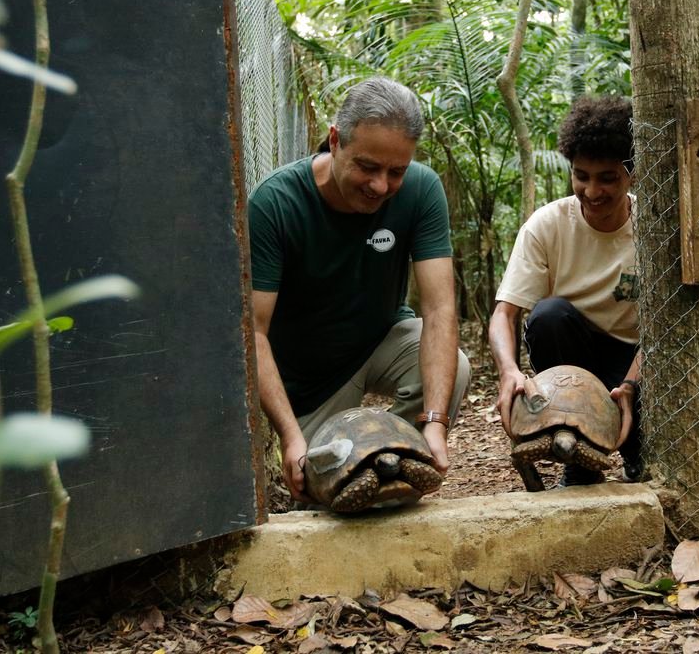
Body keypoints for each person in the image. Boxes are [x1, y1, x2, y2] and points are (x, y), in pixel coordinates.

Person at [248, 76, 470, 503]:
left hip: (381, 340)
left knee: (454, 366)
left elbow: (440, 309)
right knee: (326, 490)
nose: (381, 186)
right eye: (367, 167)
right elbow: (253, 333)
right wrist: (290, 437)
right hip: (311, 384)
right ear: (335, 140)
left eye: (396, 171)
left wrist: (436, 424)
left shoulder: (422, 190)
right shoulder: (274, 204)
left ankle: (396, 459)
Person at [489, 94, 644, 485]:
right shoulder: (547, 225)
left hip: (639, 364)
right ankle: (578, 451)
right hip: (573, 366)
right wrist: (508, 371)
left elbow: (667, 332)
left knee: (644, 465)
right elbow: (505, 314)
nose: (592, 191)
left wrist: (628, 385)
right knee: (549, 316)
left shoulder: (652, 228)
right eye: (582, 176)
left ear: (632, 175)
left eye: (607, 178)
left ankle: (635, 448)